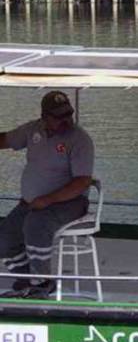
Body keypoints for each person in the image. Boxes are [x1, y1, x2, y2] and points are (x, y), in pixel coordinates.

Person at [0, 91, 94, 298]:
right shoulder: (33, 130)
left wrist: (49, 199)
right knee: (4, 237)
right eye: (59, 116)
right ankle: (26, 279)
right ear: (44, 117)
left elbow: (82, 182)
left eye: (68, 114)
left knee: (36, 224)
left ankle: (42, 282)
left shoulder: (80, 140)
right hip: (32, 203)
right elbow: (5, 140)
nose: (66, 120)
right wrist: (39, 201)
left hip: (69, 202)